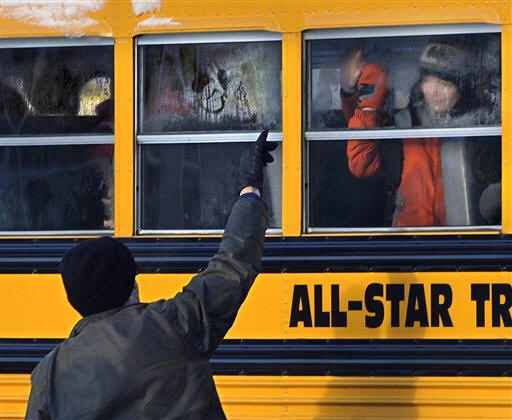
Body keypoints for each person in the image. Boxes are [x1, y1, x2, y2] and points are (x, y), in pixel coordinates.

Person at [25, 130, 277, 419]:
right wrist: (249, 189)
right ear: (131, 286)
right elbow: (233, 264)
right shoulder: (173, 324)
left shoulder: (48, 376)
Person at [342, 40, 499, 227]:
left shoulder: (483, 123)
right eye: (428, 81)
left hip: (470, 235)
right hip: (409, 236)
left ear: (461, 85)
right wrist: (368, 104)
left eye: (444, 83)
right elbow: (361, 165)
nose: (435, 91)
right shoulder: (404, 123)